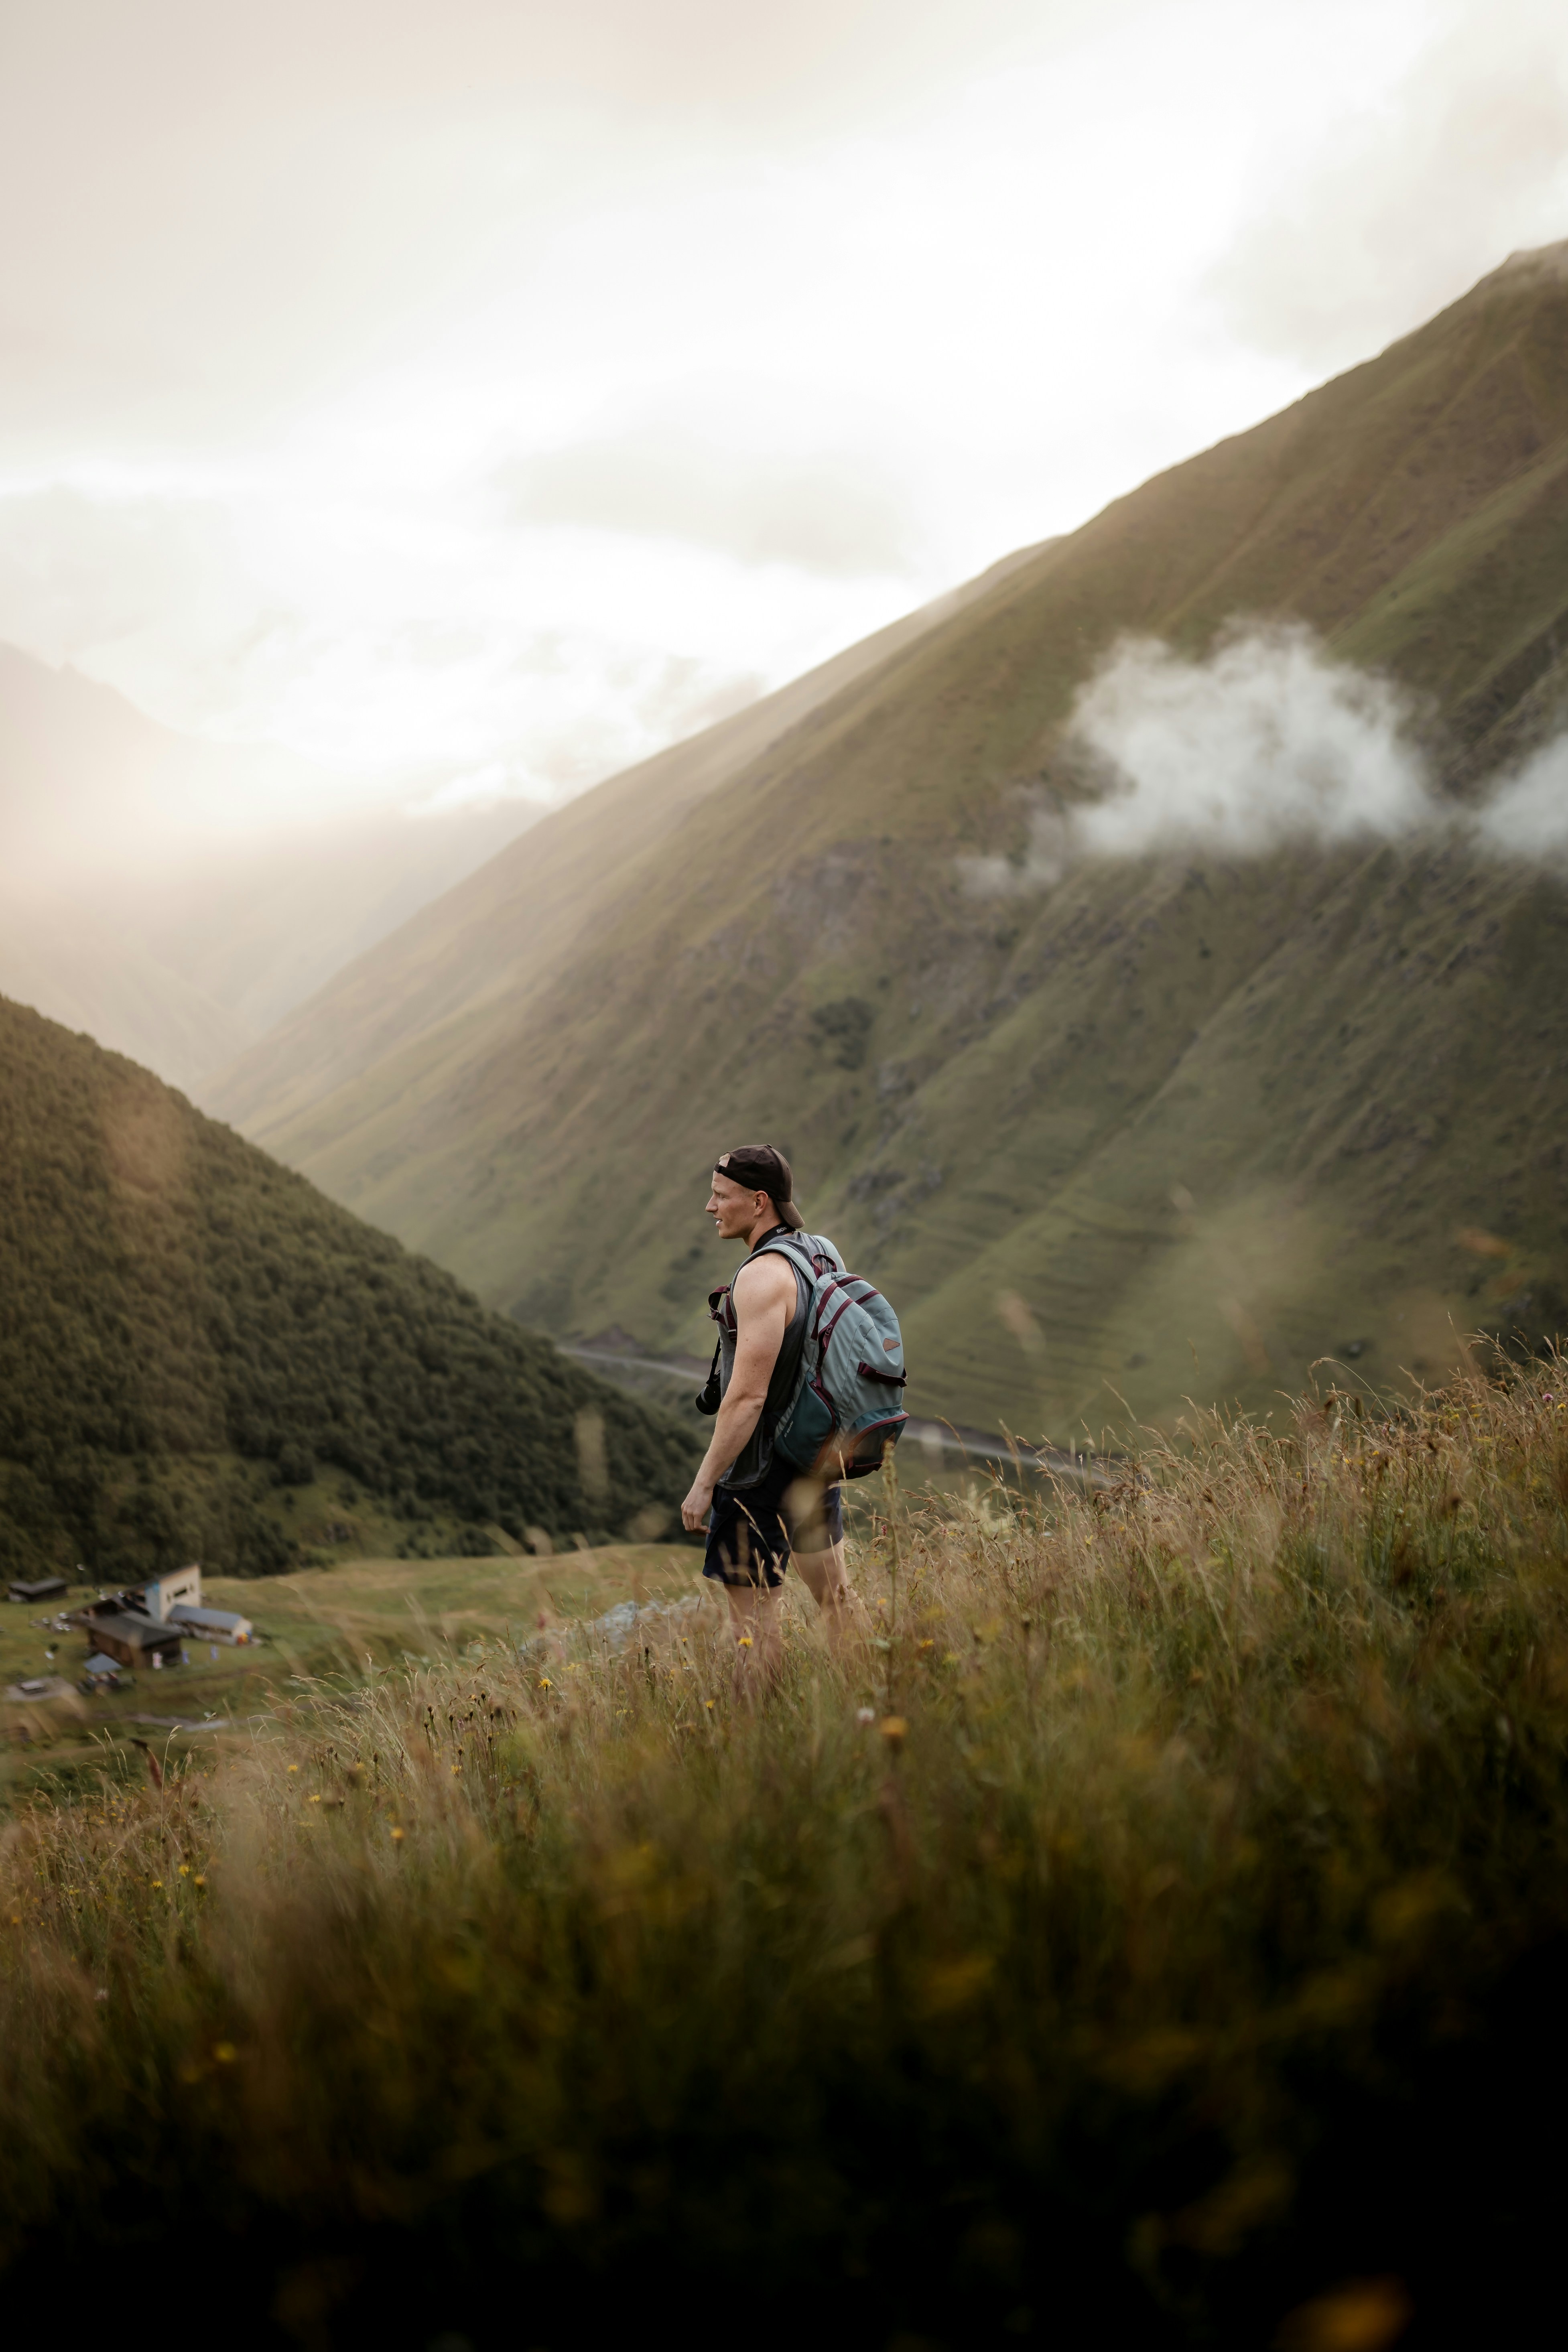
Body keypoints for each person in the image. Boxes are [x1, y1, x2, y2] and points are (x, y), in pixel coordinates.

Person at [680, 1146, 857, 1680]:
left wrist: (705, 1483)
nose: (711, 1207)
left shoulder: (761, 1278)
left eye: (720, 1195)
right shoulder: (821, 1253)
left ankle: (752, 1747)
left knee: (752, 1630)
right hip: (812, 1457)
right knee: (839, 1600)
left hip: (756, 1474)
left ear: (758, 1202)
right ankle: (871, 1697)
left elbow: (747, 1398)